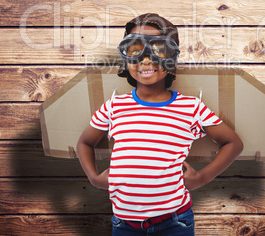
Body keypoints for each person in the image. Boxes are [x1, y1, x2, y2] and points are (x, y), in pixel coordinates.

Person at [77, 13, 243, 235]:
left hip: (174, 222)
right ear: (125, 57)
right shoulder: (115, 106)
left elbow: (233, 143)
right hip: (124, 224)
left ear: (171, 56)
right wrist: (95, 178)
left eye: (158, 49)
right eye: (135, 49)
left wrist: (201, 178)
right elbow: (85, 143)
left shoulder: (190, 107)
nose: (146, 60)